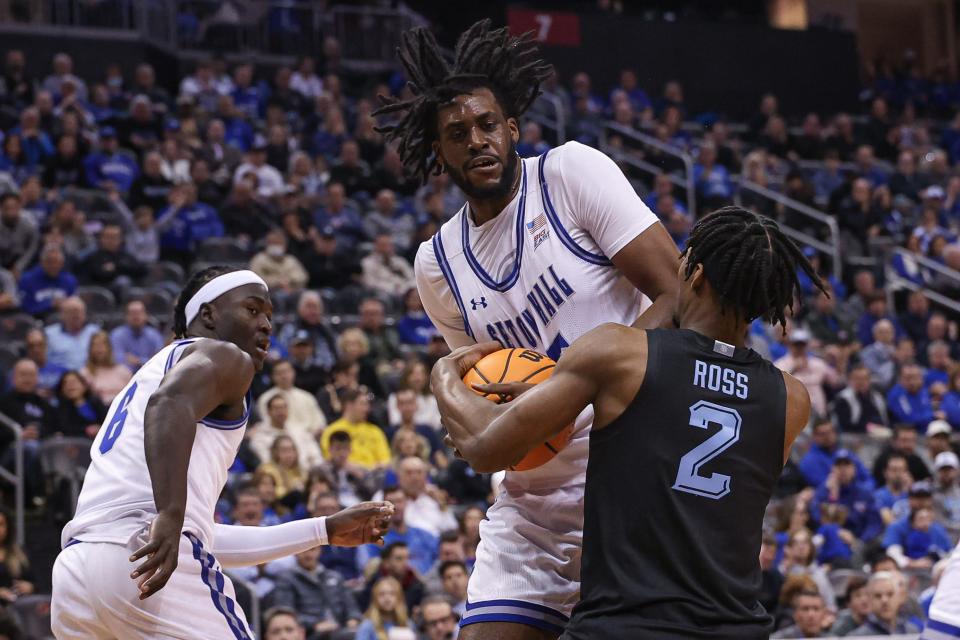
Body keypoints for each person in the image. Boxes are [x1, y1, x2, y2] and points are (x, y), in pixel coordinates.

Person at [388, 22, 681, 639]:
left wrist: (584, 382)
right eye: (457, 134)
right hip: (532, 504)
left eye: (488, 124)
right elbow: (483, 397)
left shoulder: (571, 175)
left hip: (630, 477)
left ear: (513, 127)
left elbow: (678, 294)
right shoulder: (436, 264)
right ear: (440, 152)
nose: (477, 141)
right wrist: (456, 396)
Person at [435, 207, 816, 639]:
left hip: (625, 623)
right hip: (736, 626)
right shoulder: (791, 399)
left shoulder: (622, 354)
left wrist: (444, 375)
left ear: (695, 275)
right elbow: (677, 418)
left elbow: (486, 445)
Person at [51, 266, 394, 638]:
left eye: (269, 315)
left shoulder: (146, 377)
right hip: (139, 558)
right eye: (251, 309)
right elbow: (169, 404)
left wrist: (321, 530)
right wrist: (170, 513)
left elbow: (198, 537)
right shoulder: (226, 356)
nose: (265, 324)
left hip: (76, 574)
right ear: (209, 315)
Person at [271, 545, 362, 638]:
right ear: (295, 552)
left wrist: (353, 619)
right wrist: (314, 624)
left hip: (340, 630)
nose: (308, 554)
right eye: (303, 550)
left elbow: (351, 607)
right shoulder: (286, 579)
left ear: (320, 550)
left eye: (312, 549)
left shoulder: (334, 576)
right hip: (309, 633)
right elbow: (285, 614)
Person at [320, 389, 391, 470]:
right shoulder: (332, 431)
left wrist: (368, 469)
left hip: (374, 475)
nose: (367, 409)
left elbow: (386, 460)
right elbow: (330, 459)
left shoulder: (375, 430)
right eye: (362, 404)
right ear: (349, 405)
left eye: (367, 405)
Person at [851, 571, 921, 635]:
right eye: (878, 596)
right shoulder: (856, 637)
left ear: (899, 598)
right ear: (870, 600)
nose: (884, 600)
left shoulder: (913, 632)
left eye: (890, 594)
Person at [44, 296, 99, 371]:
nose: (76, 315)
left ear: (85, 314)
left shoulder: (95, 332)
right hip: (61, 378)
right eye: (72, 312)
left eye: (79, 311)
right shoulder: (49, 334)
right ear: (62, 314)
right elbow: (45, 362)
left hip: (91, 375)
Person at [109, 299, 165, 372]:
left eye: (139, 313)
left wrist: (139, 361)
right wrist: (146, 361)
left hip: (151, 374)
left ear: (146, 315)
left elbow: (160, 360)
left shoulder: (154, 335)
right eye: (132, 313)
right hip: (124, 376)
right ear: (126, 316)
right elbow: (117, 360)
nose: (136, 317)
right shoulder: (116, 335)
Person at [355, 576, 418, 640]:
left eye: (392, 594)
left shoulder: (408, 624)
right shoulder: (367, 626)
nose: (387, 598)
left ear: (399, 598)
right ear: (375, 599)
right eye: (382, 594)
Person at [80, 330, 133, 405]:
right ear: (90, 349)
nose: (99, 348)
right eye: (95, 345)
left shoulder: (123, 371)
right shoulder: (85, 373)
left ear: (109, 348)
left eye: (102, 344)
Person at [51, 370, 109, 439]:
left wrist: (99, 428)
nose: (70, 385)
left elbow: (108, 421)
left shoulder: (96, 402)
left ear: (84, 386)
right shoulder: (60, 409)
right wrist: (86, 430)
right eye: (65, 383)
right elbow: (65, 429)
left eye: (74, 382)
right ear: (62, 390)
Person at [0, 507, 34, 606]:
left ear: (8, 528)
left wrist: (29, 587)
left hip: (17, 608)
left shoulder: (19, 553)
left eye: (1, 524)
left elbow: (34, 582)